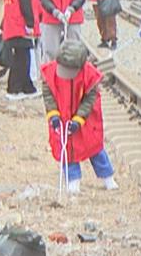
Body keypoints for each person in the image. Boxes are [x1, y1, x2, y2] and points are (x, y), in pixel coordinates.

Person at [41, 39, 117, 194]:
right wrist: (53, 115)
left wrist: (78, 119)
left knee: (94, 146)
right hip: (62, 116)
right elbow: (48, 96)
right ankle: (73, 181)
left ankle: (107, 177)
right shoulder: (50, 73)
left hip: (86, 119)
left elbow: (90, 100)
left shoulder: (90, 76)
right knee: (67, 149)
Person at [0, 0, 38, 100]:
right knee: (22, 59)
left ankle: (28, 88)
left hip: (11, 27)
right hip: (21, 27)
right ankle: (14, 89)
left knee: (21, 57)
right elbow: (26, 5)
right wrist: (30, 24)